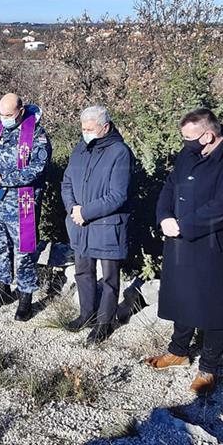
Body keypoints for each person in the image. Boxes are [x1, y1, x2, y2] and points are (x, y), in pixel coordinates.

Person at [144, 107, 223, 396]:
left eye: (190, 138)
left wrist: (184, 226)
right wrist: (164, 215)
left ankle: (209, 367)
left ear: (208, 135)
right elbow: (170, 185)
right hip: (179, 237)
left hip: (213, 244)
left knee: (213, 305)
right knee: (182, 295)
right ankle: (178, 351)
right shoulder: (188, 153)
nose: (185, 143)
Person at [61, 105, 134, 344]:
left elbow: (118, 195)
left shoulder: (120, 152)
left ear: (106, 127)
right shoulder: (80, 149)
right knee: (83, 271)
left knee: (110, 277)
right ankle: (86, 314)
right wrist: (73, 208)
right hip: (80, 223)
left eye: (90, 129)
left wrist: (86, 212)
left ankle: (104, 322)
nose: (86, 133)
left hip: (107, 224)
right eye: (83, 129)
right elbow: (67, 182)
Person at [0, 93, 52, 321]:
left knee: (24, 252)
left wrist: (2, 178)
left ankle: (25, 298)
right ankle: (2, 290)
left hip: (23, 204)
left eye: (9, 114)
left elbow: (37, 169)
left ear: (21, 111)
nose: (4, 118)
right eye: (1, 114)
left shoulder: (37, 135)